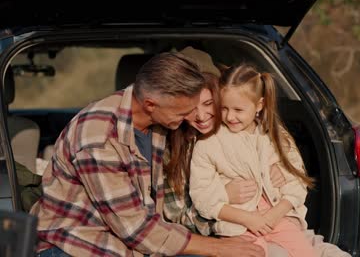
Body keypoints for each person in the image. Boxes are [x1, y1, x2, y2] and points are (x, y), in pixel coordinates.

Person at [30, 52, 264, 257]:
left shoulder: (158, 118)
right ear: (151, 104)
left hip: (132, 241)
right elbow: (136, 230)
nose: (192, 117)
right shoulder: (98, 139)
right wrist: (218, 248)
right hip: (76, 246)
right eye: (183, 111)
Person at [189, 64, 316, 257]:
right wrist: (248, 219)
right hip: (236, 224)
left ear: (259, 105)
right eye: (224, 108)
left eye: (238, 109)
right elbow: (203, 197)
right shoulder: (208, 144)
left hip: (278, 216)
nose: (230, 116)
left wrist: (274, 215)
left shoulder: (275, 135)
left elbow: (297, 183)